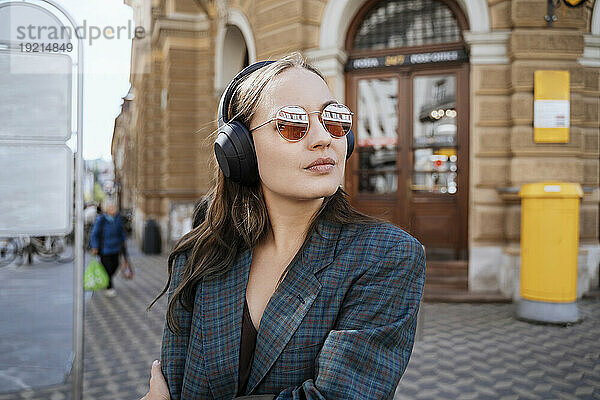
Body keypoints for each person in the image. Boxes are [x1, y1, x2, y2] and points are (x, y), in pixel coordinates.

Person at [142, 53, 426, 400]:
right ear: (239, 149)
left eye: (334, 119)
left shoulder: (387, 254)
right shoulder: (200, 254)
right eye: (292, 123)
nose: (324, 138)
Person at [90, 198, 129, 297]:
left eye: (114, 207)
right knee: (107, 268)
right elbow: (94, 234)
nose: (114, 209)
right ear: (106, 209)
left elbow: (121, 232)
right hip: (104, 249)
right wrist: (94, 247)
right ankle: (109, 287)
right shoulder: (101, 219)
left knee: (115, 265)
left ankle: (105, 280)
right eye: (111, 207)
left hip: (116, 248)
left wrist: (124, 241)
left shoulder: (117, 219)